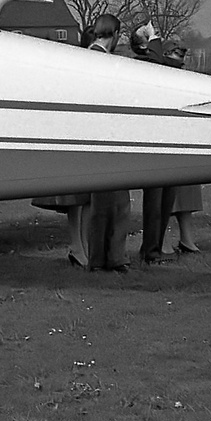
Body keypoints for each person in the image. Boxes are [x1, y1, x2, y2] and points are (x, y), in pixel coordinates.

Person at [82, 14, 131, 273]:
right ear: (116, 34)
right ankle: (107, 259)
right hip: (106, 140)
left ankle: (107, 258)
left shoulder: (91, 56)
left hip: (103, 139)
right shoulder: (98, 59)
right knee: (112, 206)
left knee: (110, 206)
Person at [129, 23, 179, 265]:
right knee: (155, 203)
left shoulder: (158, 63)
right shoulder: (142, 64)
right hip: (153, 144)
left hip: (167, 141)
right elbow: (158, 66)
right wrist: (154, 38)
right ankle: (151, 251)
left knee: (166, 201)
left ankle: (155, 248)